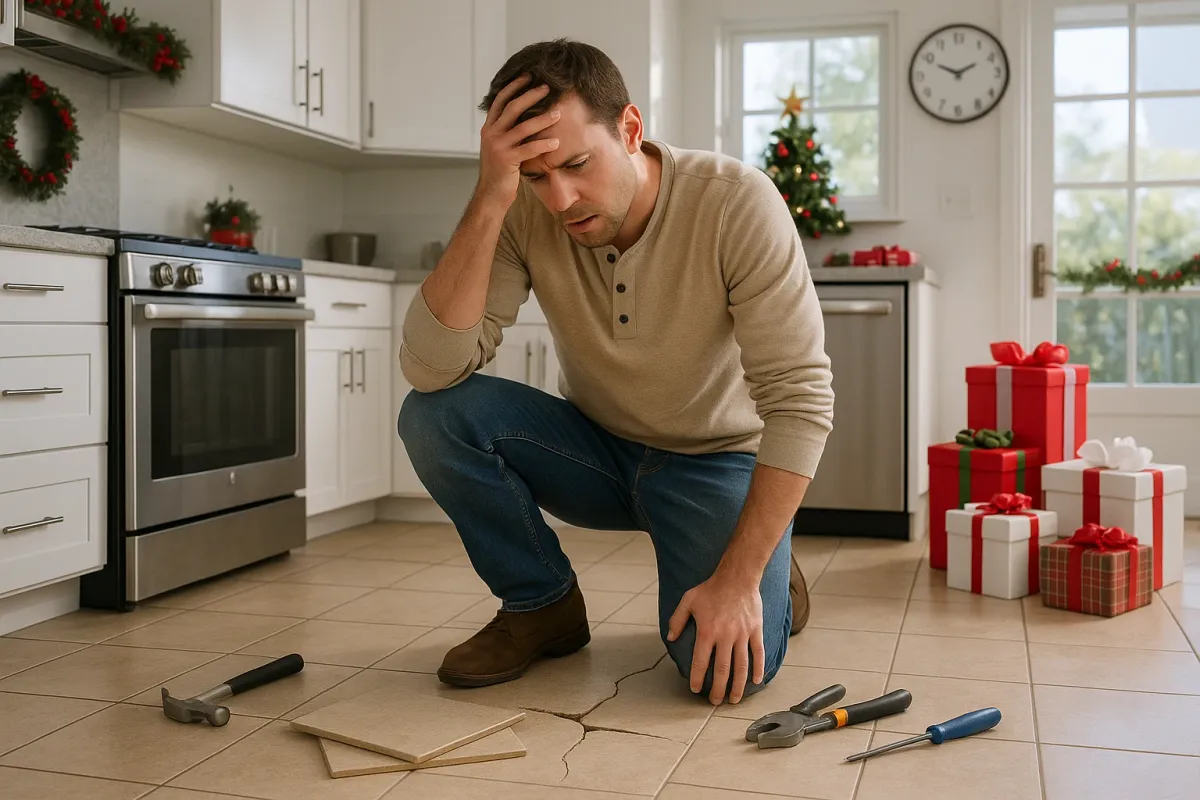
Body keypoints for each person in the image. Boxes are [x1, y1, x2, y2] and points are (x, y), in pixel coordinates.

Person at [397, 38, 834, 707]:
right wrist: (492, 196)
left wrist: (739, 580)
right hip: (599, 451)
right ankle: (541, 605)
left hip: (716, 462)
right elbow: (431, 369)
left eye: (576, 164)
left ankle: (764, 558)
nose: (561, 198)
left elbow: (801, 403)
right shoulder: (523, 211)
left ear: (630, 130)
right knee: (435, 417)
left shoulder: (736, 203)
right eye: (536, 175)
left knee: (719, 674)